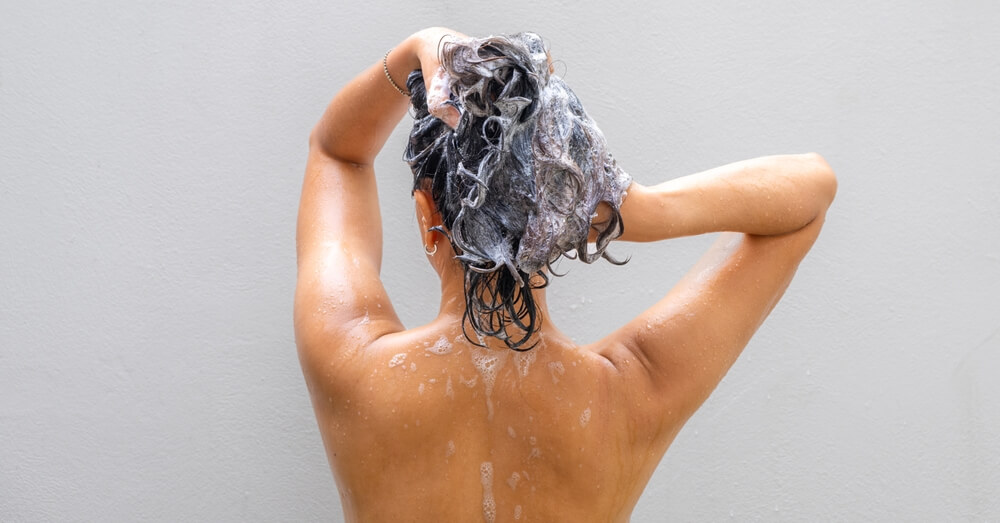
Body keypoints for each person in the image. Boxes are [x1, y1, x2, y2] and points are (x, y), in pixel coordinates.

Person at [294, 27, 837, 522]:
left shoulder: (351, 361)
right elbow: (811, 192)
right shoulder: (632, 392)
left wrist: (417, 47)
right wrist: (634, 211)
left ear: (426, 214)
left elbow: (337, 153)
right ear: (562, 219)